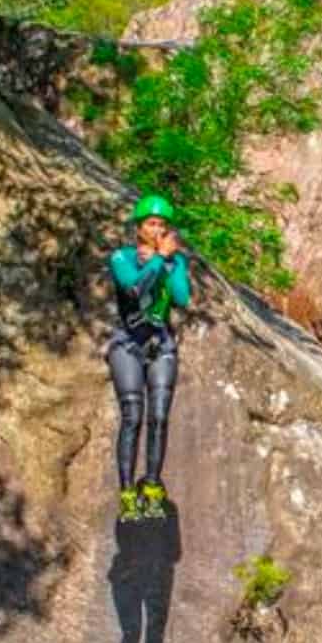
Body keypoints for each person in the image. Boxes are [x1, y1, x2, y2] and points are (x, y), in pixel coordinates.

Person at [107, 194, 192, 521]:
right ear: (139, 227)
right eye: (151, 224)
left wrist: (169, 263)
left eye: (162, 224)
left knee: (159, 416)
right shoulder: (122, 257)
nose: (157, 229)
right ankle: (128, 490)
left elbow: (182, 298)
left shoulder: (175, 261)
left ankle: (153, 486)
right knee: (133, 415)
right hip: (127, 342)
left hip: (161, 343)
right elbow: (133, 291)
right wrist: (156, 261)